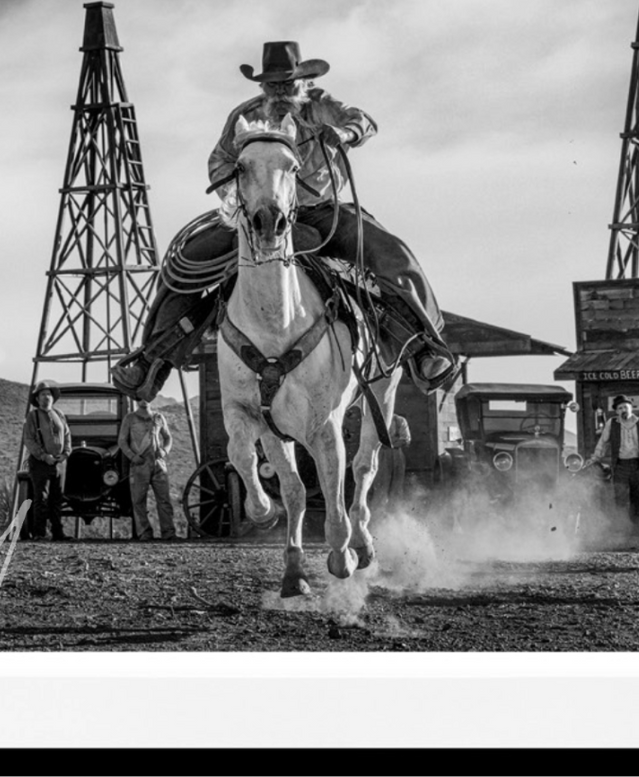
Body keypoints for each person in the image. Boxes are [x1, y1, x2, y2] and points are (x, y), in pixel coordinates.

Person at [111, 41, 458, 403]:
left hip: (320, 211)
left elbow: (364, 122)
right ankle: (152, 360)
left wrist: (343, 134)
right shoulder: (243, 115)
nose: (278, 91)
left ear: (302, 81)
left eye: (286, 83)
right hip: (255, 215)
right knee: (186, 265)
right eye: (271, 84)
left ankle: (423, 349)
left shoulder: (321, 105)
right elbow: (219, 161)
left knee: (389, 253)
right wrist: (239, 187)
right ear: (261, 86)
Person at [591, 395, 639, 533]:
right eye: (620, 408)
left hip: (638, 465)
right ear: (616, 411)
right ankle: (621, 529)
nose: (623, 409)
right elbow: (603, 443)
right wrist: (595, 458)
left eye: (626, 407)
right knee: (620, 498)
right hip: (620, 465)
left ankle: (635, 529)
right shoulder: (612, 423)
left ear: (631, 408)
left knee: (637, 498)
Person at [117, 399, 179, 540]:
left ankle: (168, 532)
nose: (144, 401)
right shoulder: (130, 418)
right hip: (139, 465)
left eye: (147, 397)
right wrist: (132, 457)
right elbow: (122, 440)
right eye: (140, 398)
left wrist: (165, 451)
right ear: (136, 400)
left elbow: (168, 436)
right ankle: (144, 533)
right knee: (139, 500)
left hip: (158, 463)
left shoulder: (158, 417)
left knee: (164, 500)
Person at [21, 380, 72, 540]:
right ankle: (39, 533)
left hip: (59, 463)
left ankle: (58, 533)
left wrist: (66, 453)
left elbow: (67, 435)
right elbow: (28, 439)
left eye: (49, 394)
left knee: (57, 499)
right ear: (37, 398)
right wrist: (43, 456)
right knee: (41, 498)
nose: (46, 397)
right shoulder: (32, 416)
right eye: (43, 394)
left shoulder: (59, 415)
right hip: (40, 463)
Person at [371, 410, 414, 516]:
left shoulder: (400, 420)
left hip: (397, 453)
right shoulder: (376, 421)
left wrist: (390, 443)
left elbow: (405, 439)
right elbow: (374, 438)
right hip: (382, 454)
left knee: (397, 488)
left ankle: (395, 517)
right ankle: (377, 519)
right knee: (381, 487)